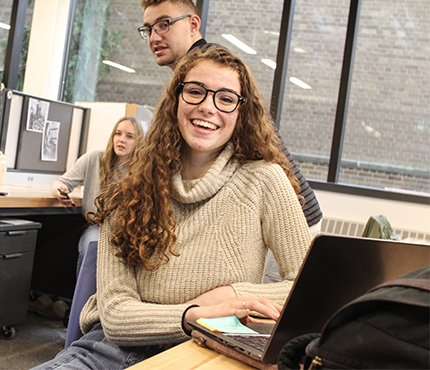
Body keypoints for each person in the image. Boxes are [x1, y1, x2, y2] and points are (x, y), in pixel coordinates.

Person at [32, 44, 311, 370]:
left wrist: (232, 295)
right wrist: (193, 313)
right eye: (195, 92)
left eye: (225, 98)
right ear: (176, 101)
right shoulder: (129, 188)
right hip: (113, 349)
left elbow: (310, 288)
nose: (208, 106)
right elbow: (115, 315)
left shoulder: (264, 180)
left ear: (241, 111)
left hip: (209, 349)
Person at [139, 0, 323, 235]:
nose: (154, 37)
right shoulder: (196, 70)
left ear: (193, 24)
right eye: (148, 29)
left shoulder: (213, 68)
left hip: (291, 218)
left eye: (164, 24)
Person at [50, 116, 144, 275]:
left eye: (129, 136)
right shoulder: (95, 158)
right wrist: (60, 190)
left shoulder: (142, 170)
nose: (122, 140)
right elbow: (60, 183)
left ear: (138, 142)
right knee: (92, 247)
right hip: (97, 227)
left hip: (126, 231)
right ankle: (83, 300)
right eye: (118, 134)